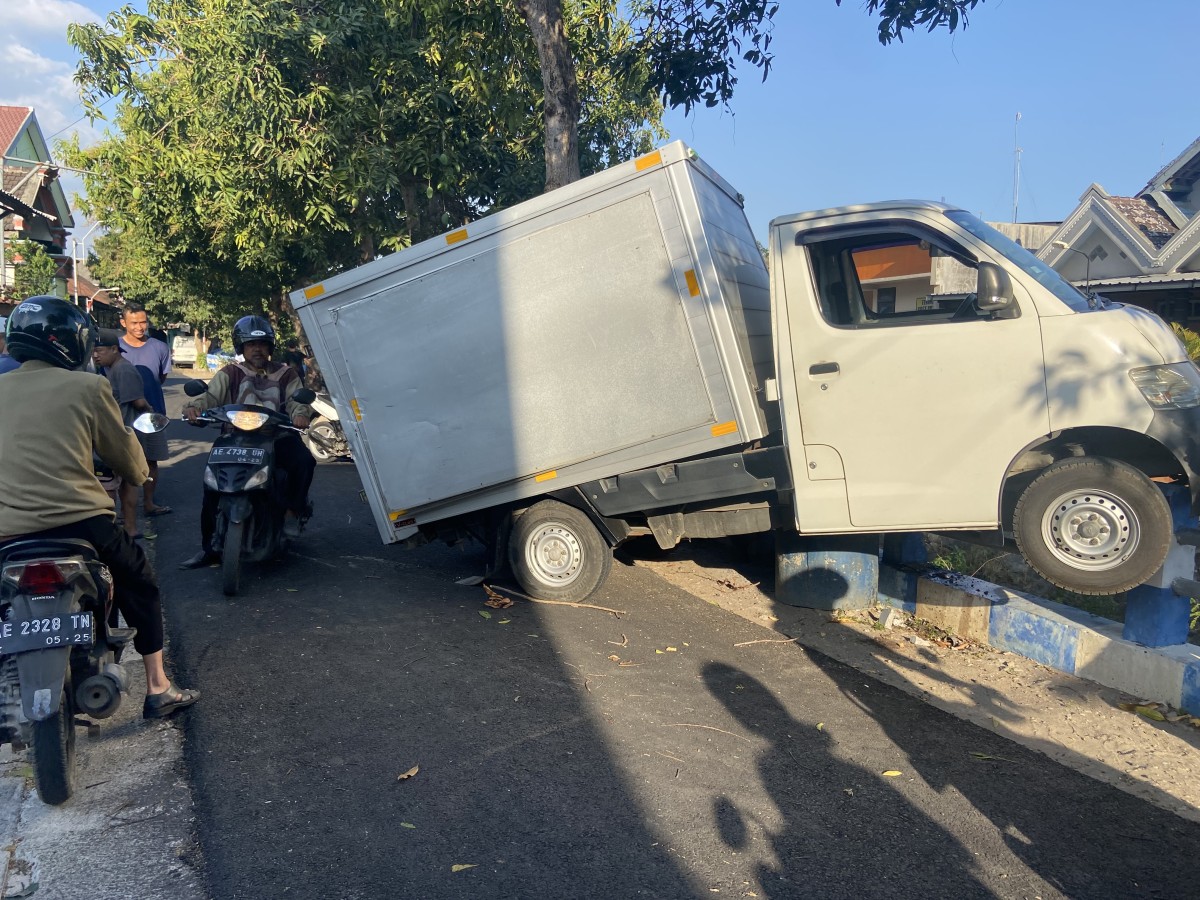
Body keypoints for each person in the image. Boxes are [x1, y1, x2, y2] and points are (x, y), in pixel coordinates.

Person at [0, 296, 198, 719]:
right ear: (75, 342)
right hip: (82, 524)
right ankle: (159, 687)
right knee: (139, 582)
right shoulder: (88, 386)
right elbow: (127, 457)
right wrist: (139, 471)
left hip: (8, 532)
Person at [180, 315, 314, 569]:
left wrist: (299, 415)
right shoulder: (230, 372)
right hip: (234, 438)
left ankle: (292, 513)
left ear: (270, 347)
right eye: (251, 345)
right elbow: (209, 397)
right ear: (241, 348)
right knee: (211, 488)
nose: (257, 349)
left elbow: (297, 401)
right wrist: (194, 409)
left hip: (276, 437)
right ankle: (208, 549)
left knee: (304, 461)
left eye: (262, 344)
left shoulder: (286, 374)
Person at [93, 329, 152, 539]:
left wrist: (152, 415)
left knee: (126, 483)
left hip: (126, 435)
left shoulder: (124, 370)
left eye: (99, 350)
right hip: (114, 434)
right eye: (93, 351)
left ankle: (130, 526)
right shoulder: (111, 369)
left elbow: (138, 402)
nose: (95, 355)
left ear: (114, 349)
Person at [118, 303, 173, 517]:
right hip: (121, 414)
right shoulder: (115, 348)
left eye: (143, 322)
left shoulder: (160, 347)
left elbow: (160, 378)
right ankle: (124, 510)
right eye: (134, 323)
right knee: (123, 462)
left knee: (151, 460)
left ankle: (149, 503)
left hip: (153, 414)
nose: (140, 327)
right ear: (123, 323)